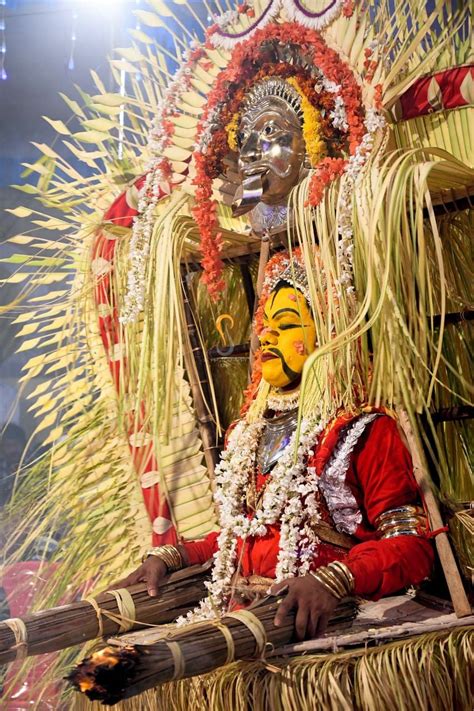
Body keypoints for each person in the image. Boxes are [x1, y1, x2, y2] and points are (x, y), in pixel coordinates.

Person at [116, 247, 434, 640]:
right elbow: (247, 538)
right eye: (265, 325)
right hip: (247, 622)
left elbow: (411, 547)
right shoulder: (245, 433)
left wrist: (334, 580)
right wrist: (172, 557)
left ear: (330, 333)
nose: (266, 335)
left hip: (332, 626)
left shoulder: (363, 430)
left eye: (284, 325)